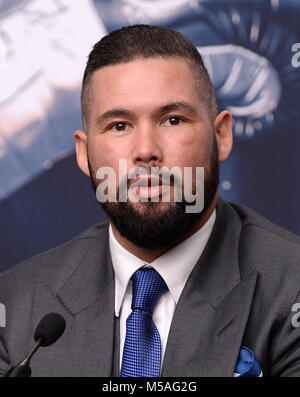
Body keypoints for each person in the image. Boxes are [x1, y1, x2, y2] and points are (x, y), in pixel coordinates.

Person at [1, 24, 300, 377]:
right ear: (83, 154)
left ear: (221, 136)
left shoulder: (290, 286)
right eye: (119, 126)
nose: (145, 151)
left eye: (173, 120)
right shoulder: (16, 303)